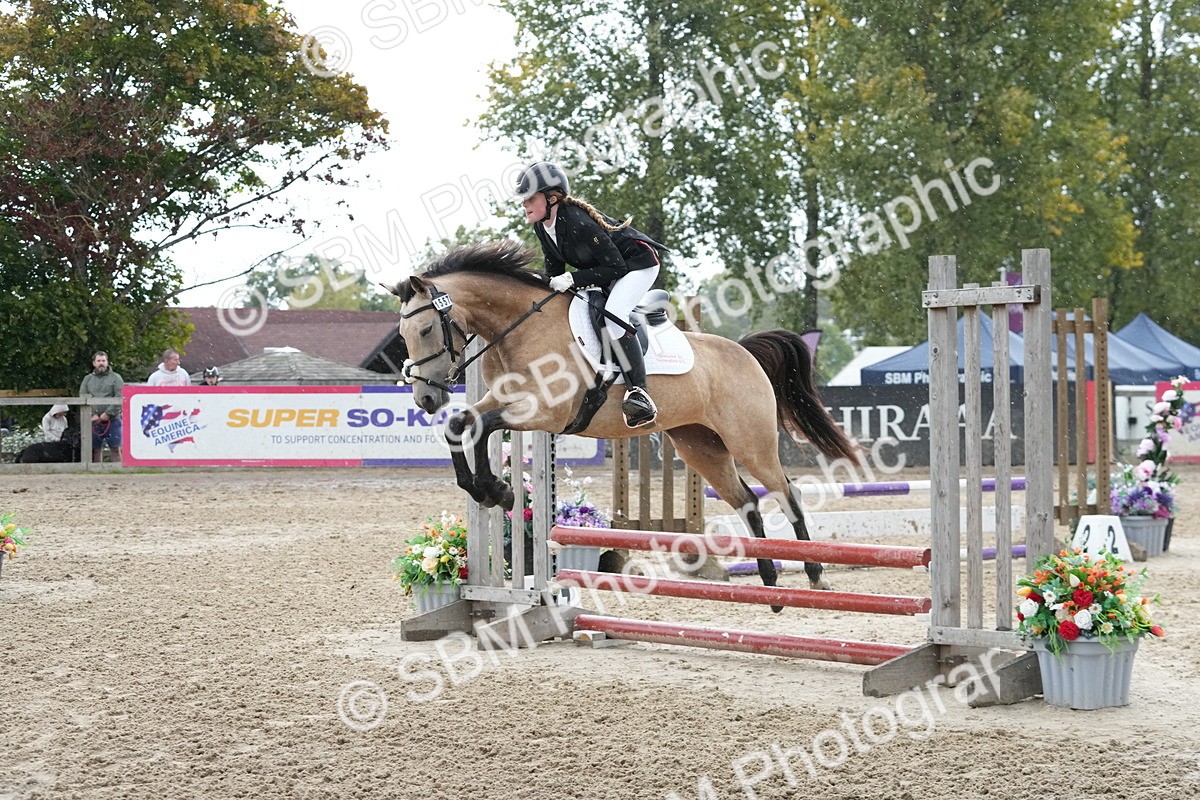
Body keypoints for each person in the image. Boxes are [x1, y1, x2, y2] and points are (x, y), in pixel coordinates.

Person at [516, 161, 668, 428]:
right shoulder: (542, 226)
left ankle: (639, 392)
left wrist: (573, 278)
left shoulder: (577, 221)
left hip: (638, 265)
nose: (524, 204)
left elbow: (616, 267)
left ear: (552, 198)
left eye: (531, 198)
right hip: (610, 269)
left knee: (612, 315)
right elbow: (554, 274)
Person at [80, 351, 124, 463]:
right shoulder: (87, 379)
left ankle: (118, 472)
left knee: (115, 449)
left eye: (103, 361)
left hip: (113, 420)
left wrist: (108, 413)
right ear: (94, 363)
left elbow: (120, 396)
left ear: (107, 362)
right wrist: (92, 414)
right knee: (95, 449)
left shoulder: (116, 378)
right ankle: (96, 474)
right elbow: (83, 396)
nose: (101, 363)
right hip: (94, 421)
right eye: (99, 361)